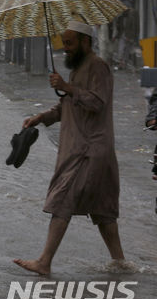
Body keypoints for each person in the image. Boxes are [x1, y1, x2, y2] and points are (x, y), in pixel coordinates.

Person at [14, 20, 125, 275]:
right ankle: (121, 264)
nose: (65, 49)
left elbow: (97, 102)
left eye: (70, 43)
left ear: (85, 42)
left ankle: (44, 262)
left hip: (88, 151)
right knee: (103, 211)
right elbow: (69, 107)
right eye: (63, 43)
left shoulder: (98, 67)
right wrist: (41, 117)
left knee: (61, 200)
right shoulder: (77, 69)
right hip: (86, 150)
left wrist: (66, 87)